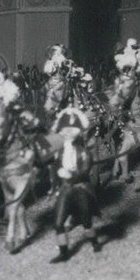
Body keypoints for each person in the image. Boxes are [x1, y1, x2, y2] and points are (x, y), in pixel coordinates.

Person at [49, 107, 101, 263]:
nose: (69, 132)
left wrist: (70, 175)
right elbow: (55, 168)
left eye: (73, 129)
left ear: (79, 131)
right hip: (65, 190)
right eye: (65, 129)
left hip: (81, 190)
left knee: (86, 223)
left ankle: (94, 242)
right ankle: (64, 253)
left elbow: (85, 172)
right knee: (58, 224)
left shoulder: (85, 153)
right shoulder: (60, 152)